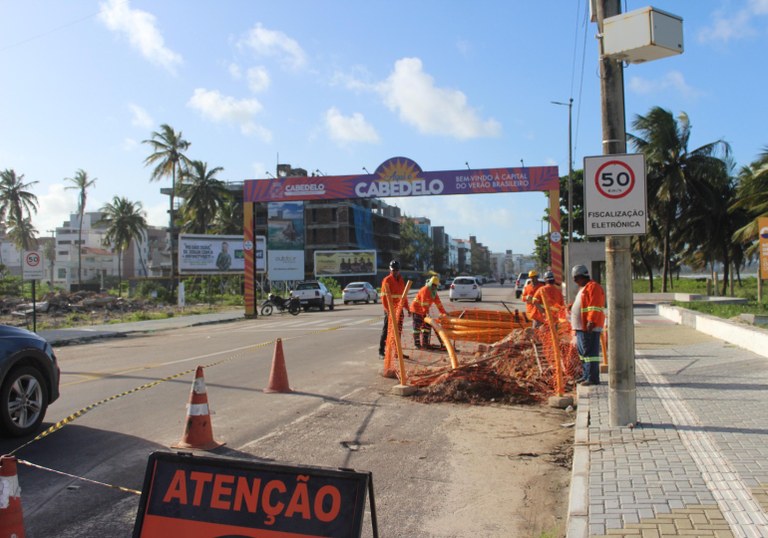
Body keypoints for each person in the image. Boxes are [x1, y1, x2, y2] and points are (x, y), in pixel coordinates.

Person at [570, 264, 606, 386]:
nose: (574, 280)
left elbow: (594, 306)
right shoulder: (584, 288)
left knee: (590, 354)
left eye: (576, 278)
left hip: (588, 327)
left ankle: (592, 378)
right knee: (584, 354)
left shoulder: (593, 287)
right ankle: (586, 375)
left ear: (582, 276)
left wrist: (591, 321)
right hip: (581, 327)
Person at [379, 260, 410, 358]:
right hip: (390, 310)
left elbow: (403, 296)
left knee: (398, 332)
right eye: (393, 270)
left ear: (399, 270)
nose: (395, 272)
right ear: (390, 270)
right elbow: (384, 297)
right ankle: (381, 352)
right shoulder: (387, 280)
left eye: (396, 270)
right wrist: (388, 310)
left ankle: (397, 352)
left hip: (399, 310)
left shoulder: (401, 280)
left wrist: (408, 308)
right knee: (387, 330)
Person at [411, 276, 448, 348]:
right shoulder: (425, 290)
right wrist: (426, 313)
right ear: (431, 284)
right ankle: (417, 344)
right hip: (416, 309)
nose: (434, 287)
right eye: (433, 285)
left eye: (435, 285)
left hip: (423, 311)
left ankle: (425, 343)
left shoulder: (434, 292)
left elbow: (438, 303)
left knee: (427, 326)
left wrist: (444, 312)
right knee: (417, 327)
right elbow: (424, 304)